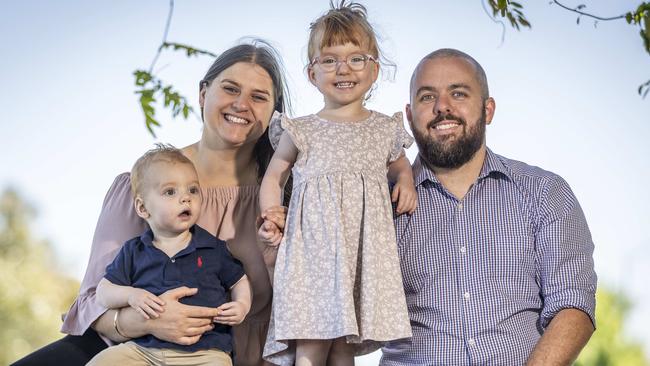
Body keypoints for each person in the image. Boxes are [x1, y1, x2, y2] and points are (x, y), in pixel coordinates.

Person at [12, 40, 290, 366]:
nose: (242, 104)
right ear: (203, 94)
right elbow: (92, 302)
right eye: (231, 89)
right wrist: (152, 321)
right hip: (132, 350)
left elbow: (306, 304)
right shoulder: (143, 186)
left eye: (258, 97)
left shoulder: (285, 198)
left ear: (274, 113)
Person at [380, 48, 597, 365]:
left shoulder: (543, 192)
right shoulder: (379, 204)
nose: (443, 107)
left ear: (488, 109)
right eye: (427, 97)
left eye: (458, 93)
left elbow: (573, 304)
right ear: (409, 117)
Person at [259, 2, 414, 365]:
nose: (343, 69)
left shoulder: (383, 129)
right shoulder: (302, 129)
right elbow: (275, 174)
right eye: (329, 60)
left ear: (374, 69)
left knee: (345, 346)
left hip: (362, 253)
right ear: (312, 73)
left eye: (355, 58)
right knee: (311, 346)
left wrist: (405, 181)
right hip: (312, 255)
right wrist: (271, 211)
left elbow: (400, 165)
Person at [86, 145, 251, 365]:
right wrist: (131, 295)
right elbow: (103, 292)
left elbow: (239, 280)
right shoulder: (135, 251)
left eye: (192, 190)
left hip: (204, 353)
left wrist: (242, 305)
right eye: (170, 192)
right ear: (143, 208)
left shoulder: (212, 247)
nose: (185, 198)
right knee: (103, 361)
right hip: (144, 350)